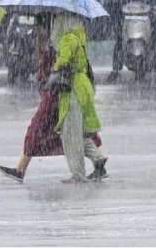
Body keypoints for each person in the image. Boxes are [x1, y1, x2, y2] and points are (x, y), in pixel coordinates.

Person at [0, 13, 105, 183]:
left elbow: (56, 65)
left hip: (56, 93)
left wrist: (43, 51)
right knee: (70, 133)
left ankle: (21, 169)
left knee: (38, 129)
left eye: (38, 25)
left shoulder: (59, 42)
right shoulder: (61, 39)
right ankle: (98, 160)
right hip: (59, 91)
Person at [49, 12, 107, 183]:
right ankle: (97, 159)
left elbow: (63, 62)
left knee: (70, 135)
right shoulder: (79, 38)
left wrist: (56, 62)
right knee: (78, 133)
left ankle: (78, 174)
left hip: (73, 88)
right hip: (84, 86)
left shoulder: (67, 39)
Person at [108, 0, 156, 81]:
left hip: (146, 23)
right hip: (129, 21)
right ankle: (115, 70)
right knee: (119, 40)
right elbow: (118, 1)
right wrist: (115, 4)